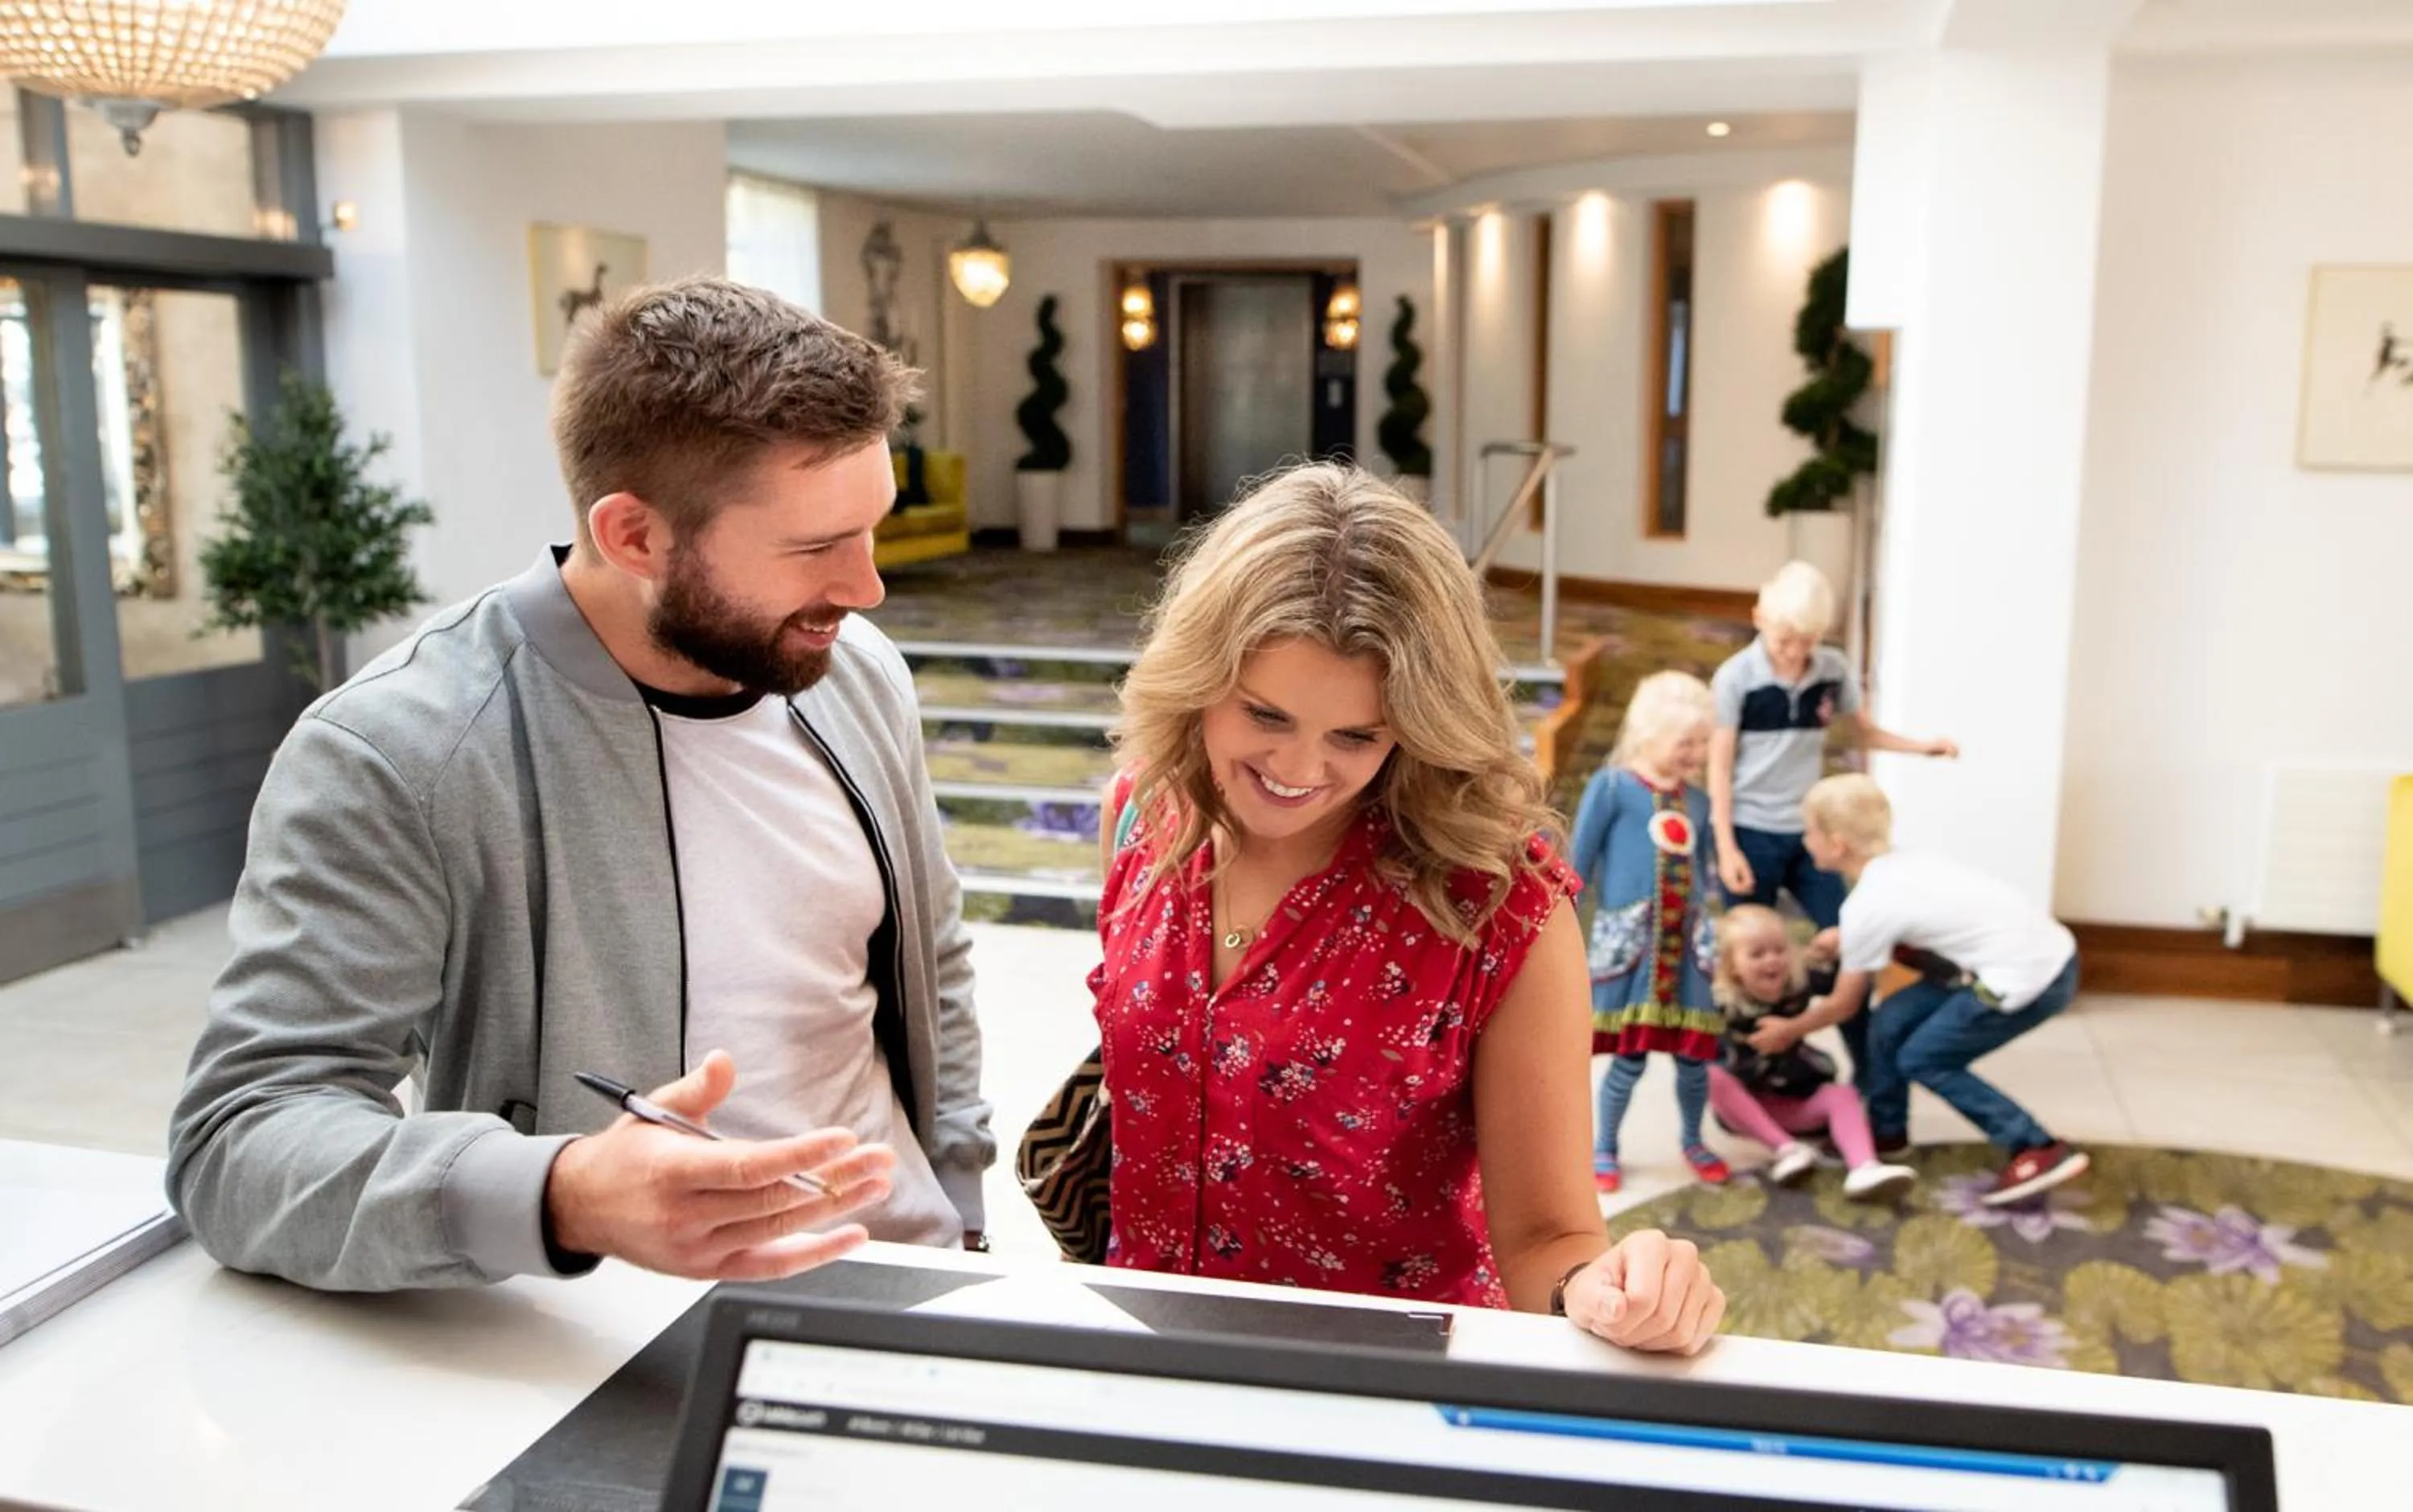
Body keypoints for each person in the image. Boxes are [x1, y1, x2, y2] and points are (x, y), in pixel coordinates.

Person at [166, 277, 995, 1292]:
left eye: (871, 528)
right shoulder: (398, 749)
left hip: (903, 1272)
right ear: (635, 536)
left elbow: (932, 959)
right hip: (607, 1347)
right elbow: (237, 1140)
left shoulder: (853, 669)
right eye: (817, 547)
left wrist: (960, 1200)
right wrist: (557, 1190)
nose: (867, 588)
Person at [1089, 463, 1724, 1355]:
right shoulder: (1142, 818)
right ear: (1196, 677)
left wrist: (1614, 1287)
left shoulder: (1498, 906)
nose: (1302, 767)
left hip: (1375, 1391)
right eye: (1264, 714)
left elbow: (1548, 1235)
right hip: (1140, 1347)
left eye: (1357, 734)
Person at [1749, 774, 2089, 1206]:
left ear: (1837, 845)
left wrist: (1790, 1030)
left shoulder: (1868, 906)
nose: (1805, 840)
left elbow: (1843, 1004)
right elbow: (1911, 919)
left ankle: (2036, 1145)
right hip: (2046, 952)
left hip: (2029, 979)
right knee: (1892, 1018)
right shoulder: (1904, 863)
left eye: (1810, 831)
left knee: (1924, 1057)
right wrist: (1848, 937)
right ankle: (1887, 1134)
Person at [1706, 561, 1955, 1083]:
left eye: (1808, 642)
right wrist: (1726, 847)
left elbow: (1862, 732)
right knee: (1748, 960)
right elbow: (1720, 767)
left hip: (1808, 836)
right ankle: (1751, 1074)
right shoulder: (1736, 679)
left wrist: (1923, 747)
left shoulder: (1832, 670)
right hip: (1750, 832)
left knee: (1850, 946)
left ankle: (1870, 1075)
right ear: (1759, 619)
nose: (1796, 653)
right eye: (1785, 640)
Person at [1570, 672, 1729, 1196]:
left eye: (1703, 742)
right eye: (1687, 742)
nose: (1698, 753)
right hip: (1631, 950)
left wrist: (1721, 930)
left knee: (1693, 1060)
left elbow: (1705, 872)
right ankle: (1605, 1144)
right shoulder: (1612, 788)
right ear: (1649, 734)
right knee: (1628, 1058)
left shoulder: (1700, 802)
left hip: (1687, 951)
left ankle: (1693, 1137)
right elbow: (1578, 865)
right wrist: (1563, 937)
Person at [1706, 906, 1916, 1202]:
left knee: (1842, 1094)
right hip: (1746, 1108)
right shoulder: (1717, 1002)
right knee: (1708, 1074)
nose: (1771, 960)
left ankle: (1864, 1167)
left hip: (1795, 1095)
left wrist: (1842, 945)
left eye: (1779, 950)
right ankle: (1787, 1150)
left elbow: (1849, 987)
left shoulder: (1799, 981)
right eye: (1757, 954)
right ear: (1731, 966)